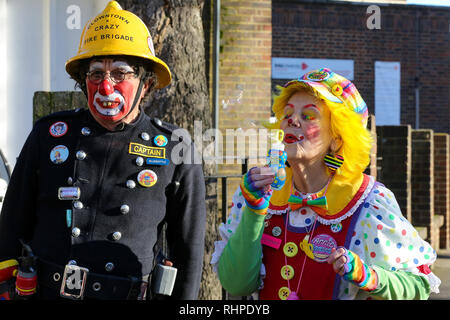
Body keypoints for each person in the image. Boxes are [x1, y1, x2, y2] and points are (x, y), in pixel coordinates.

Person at [0, 1, 206, 300]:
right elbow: (11, 227)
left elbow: (188, 253)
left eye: (121, 74)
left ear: (145, 84)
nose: (106, 86)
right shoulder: (50, 134)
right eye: (96, 74)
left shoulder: (177, 147)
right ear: (84, 81)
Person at [211, 68, 441, 300]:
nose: (292, 120)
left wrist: (368, 276)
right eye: (288, 113)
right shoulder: (260, 194)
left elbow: (418, 287)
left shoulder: (367, 201)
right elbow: (236, 285)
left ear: (337, 138)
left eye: (308, 116)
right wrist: (254, 211)